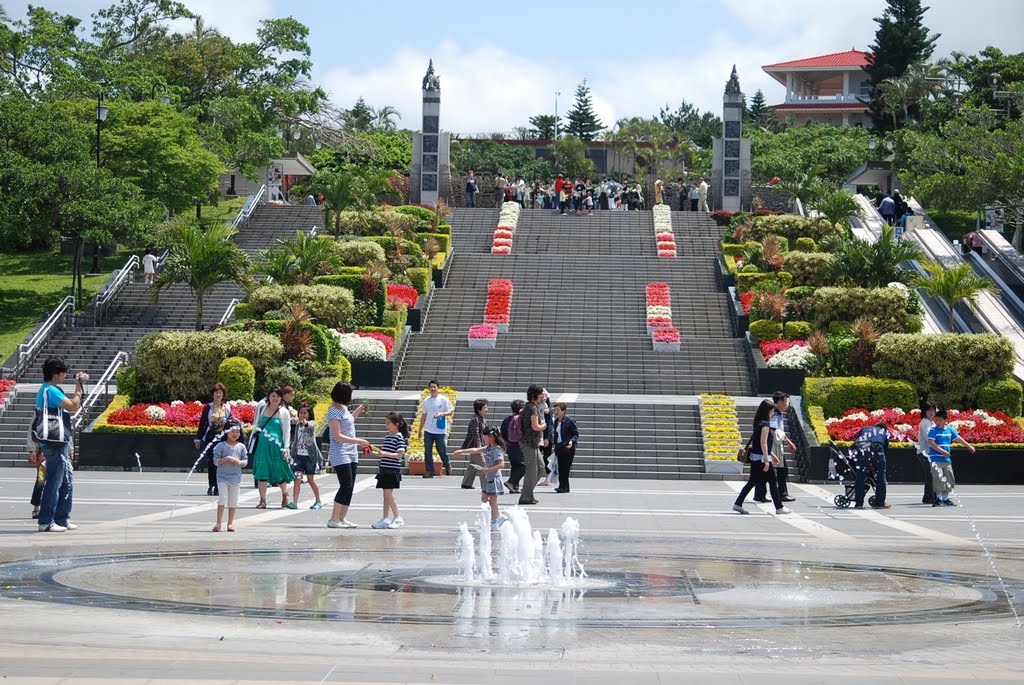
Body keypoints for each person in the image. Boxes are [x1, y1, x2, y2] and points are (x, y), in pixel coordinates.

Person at [33, 357, 85, 532]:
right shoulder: (51, 391)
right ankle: (46, 521)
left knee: (66, 481)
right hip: (54, 444)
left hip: (60, 441)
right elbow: (73, 406)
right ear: (56, 374)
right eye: (63, 373)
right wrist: (78, 389)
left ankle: (61, 519)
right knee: (54, 481)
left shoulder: (50, 390)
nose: (65, 376)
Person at [732, 400, 791, 515]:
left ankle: (738, 503)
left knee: (752, 482)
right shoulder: (765, 425)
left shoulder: (758, 423)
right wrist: (767, 460)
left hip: (756, 457)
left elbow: (760, 444)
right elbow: (763, 443)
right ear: (768, 411)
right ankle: (779, 507)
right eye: (773, 410)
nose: (773, 413)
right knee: (773, 482)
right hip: (762, 459)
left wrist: (772, 455)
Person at [326, 382, 369, 528]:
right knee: (345, 485)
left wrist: (357, 410)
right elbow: (337, 436)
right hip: (340, 452)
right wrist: (359, 441)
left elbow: (348, 423)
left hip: (351, 451)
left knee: (350, 486)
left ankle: (342, 518)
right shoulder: (333, 412)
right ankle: (334, 519)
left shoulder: (343, 409)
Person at [453, 427, 507, 530]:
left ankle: (495, 521)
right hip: (488, 478)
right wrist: (461, 451)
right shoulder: (488, 448)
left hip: (494, 478)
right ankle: (498, 517)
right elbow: (476, 450)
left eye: (485, 436)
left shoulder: (497, 450)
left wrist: (489, 470)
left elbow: (501, 464)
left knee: (493, 501)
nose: (483, 438)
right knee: (484, 499)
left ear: (491, 437)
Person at [251, 387, 294, 509]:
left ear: (281, 398)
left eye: (278, 396)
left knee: (279, 470)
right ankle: (262, 499)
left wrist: (286, 447)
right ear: (269, 396)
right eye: (273, 396)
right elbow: (256, 425)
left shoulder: (283, 412)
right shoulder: (262, 408)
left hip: (277, 446)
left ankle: (285, 495)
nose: (275, 398)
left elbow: (287, 430)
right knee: (262, 472)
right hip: (262, 446)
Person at [754, 392, 797, 503]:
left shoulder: (778, 413)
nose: (787, 404)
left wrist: (787, 441)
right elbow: (772, 430)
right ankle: (781, 494)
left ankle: (760, 494)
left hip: (775, 444)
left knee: (769, 471)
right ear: (779, 402)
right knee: (782, 470)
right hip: (773, 445)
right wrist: (786, 441)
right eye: (786, 402)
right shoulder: (774, 414)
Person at [927, 409, 976, 507]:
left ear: (946, 420)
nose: (938, 422)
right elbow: (931, 442)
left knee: (950, 478)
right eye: (936, 420)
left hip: (946, 460)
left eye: (940, 420)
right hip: (936, 459)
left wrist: (969, 446)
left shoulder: (950, 430)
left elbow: (958, 438)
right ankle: (939, 499)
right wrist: (943, 451)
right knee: (938, 478)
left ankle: (945, 499)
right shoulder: (933, 430)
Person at [372, 411, 408, 529]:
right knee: (385, 495)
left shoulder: (399, 437)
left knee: (388, 495)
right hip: (385, 469)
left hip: (392, 470)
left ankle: (398, 517)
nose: (386, 425)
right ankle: (385, 518)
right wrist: (374, 452)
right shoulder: (388, 437)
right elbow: (384, 454)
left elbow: (399, 454)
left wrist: (384, 453)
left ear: (396, 424)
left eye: (388, 423)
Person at [195, 383, 232, 497]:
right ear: (213, 394)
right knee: (212, 462)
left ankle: (220, 486)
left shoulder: (227, 408)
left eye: (220, 392)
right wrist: (198, 438)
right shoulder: (208, 408)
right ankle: (212, 485)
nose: (218, 394)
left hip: (223, 437)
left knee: (223, 462)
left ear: (223, 395)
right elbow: (203, 423)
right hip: (211, 437)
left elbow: (231, 422)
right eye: (216, 392)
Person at [212, 420, 248, 532]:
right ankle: (218, 523)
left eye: (237, 432)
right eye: (232, 431)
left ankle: (230, 523)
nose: (235, 434)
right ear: (226, 432)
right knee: (222, 498)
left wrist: (239, 462)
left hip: (235, 477)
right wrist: (227, 458)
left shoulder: (241, 446)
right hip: (222, 477)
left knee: (233, 500)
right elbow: (215, 461)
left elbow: (245, 461)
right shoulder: (220, 446)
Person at [288, 403, 323, 510]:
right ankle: (294, 502)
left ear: (309, 414)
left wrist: (306, 424)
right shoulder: (298, 425)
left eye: (305, 413)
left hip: (309, 457)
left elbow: (311, 427)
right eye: (300, 413)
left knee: (310, 479)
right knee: (297, 478)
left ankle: (318, 500)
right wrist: (292, 453)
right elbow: (296, 441)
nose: (302, 415)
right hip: (299, 456)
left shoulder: (311, 423)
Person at [518, 385, 547, 505]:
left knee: (541, 468)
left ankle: (527, 493)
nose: (543, 396)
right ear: (535, 395)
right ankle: (525, 497)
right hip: (529, 443)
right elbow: (535, 426)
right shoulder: (532, 408)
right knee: (532, 470)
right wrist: (543, 426)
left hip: (532, 443)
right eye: (541, 394)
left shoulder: (529, 406)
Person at [418, 379, 453, 478]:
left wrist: (441, 413)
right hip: (428, 429)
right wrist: (420, 430)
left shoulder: (443, 400)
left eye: (435, 387)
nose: (433, 389)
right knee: (427, 450)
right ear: (429, 389)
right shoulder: (426, 401)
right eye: (431, 387)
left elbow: (450, 412)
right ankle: (430, 471)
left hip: (440, 430)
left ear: (438, 388)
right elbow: (424, 416)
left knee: (441, 450)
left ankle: (447, 464)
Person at [853, 423, 890, 509]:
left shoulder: (865, 428)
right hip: (878, 449)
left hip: (862, 449)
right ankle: (880, 503)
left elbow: (856, 441)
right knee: (881, 477)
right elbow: (885, 450)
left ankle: (859, 503)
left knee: (860, 477)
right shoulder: (883, 433)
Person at [460, 398, 489, 490]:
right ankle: (485, 486)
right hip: (475, 446)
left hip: (478, 445)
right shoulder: (475, 419)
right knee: (483, 464)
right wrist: (479, 446)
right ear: (479, 409)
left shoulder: (481, 419)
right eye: (485, 408)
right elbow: (476, 433)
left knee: (473, 464)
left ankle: (466, 483)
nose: (487, 410)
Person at [552, 402, 578, 493]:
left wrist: (571, 441)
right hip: (559, 447)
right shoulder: (556, 422)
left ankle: (564, 487)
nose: (556, 412)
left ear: (563, 411)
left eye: (558, 410)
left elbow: (575, 434)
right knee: (560, 467)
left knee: (565, 467)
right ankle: (563, 486)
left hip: (568, 447)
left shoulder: (570, 421)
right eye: (555, 410)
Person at [501, 399, 525, 494]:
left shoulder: (507, 419)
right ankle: (511, 482)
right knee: (523, 466)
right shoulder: (520, 419)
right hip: (519, 445)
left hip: (509, 446)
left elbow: (502, 433)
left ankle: (514, 487)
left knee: (515, 466)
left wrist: (505, 443)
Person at [916, 402, 937, 504]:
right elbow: (929, 438)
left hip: (928, 453)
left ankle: (929, 497)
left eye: (933, 410)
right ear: (924, 412)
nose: (931, 412)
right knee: (931, 475)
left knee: (931, 475)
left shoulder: (931, 422)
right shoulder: (925, 422)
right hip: (925, 453)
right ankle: (930, 498)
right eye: (929, 410)